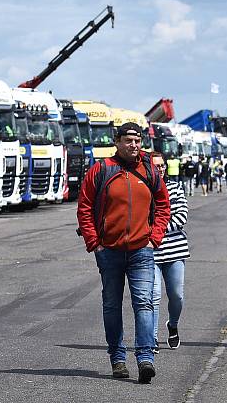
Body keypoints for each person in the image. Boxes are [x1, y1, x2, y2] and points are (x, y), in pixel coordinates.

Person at [77, 122, 170, 383]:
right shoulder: (102, 169)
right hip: (109, 251)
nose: (134, 145)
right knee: (112, 305)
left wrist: (155, 238)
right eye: (128, 140)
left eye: (138, 140)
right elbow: (84, 206)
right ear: (116, 142)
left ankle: (145, 359)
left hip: (142, 250)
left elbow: (163, 206)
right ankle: (117, 358)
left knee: (144, 303)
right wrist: (94, 241)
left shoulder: (150, 169)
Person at [149, 154, 190, 352]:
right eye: (156, 166)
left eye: (162, 166)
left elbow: (181, 215)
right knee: (154, 295)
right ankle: (152, 338)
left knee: (177, 295)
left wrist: (156, 229)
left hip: (175, 250)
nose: (160, 169)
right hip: (150, 251)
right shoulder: (143, 187)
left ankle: (172, 325)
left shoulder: (174, 187)